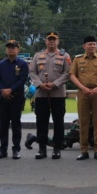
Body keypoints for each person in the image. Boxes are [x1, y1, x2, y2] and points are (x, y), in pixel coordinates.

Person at [29, 31, 71, 159]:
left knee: (58, 122)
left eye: (54, 39)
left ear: (58, 41)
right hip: (41, 93)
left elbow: (68, 73)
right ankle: (42, 149)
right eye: (49, 39)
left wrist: (55, 84)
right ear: (46, 41)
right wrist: (39, 84)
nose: (52, 41)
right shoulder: (38, 55)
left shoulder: (65, 56)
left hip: (57, 93)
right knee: (41, 122)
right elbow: (32, 72)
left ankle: (57, 148)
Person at [69, 35, 97, 160]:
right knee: (83, 122)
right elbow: (72, 75)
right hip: (83, 93)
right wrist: (83, 88)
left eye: (94, 44)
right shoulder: (78, 59)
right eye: (89, 44)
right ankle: (84, 150)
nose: (92, 46)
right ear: (84, 46)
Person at [0, 39, 30, 160]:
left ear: (18, 50)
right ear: (6, 49)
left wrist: (11, 90)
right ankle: (2, 150)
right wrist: (3, 90)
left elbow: (22, 80)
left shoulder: (22, 64)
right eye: (9, 47)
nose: (11, 49)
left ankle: (16, 149)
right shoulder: (0, 64)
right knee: (3, 125)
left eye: (13, 47)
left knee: (16, 125)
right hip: (3, 98)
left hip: (16, 98)